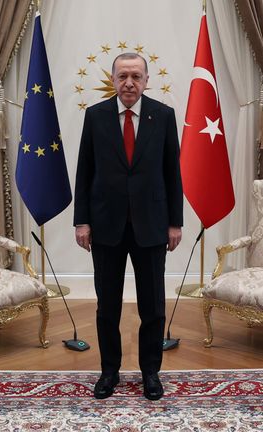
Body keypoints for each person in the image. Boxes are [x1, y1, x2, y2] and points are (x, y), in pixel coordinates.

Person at [74, 52, 183, 401]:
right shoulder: (95, 117)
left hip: (152, 226)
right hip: (106, 226)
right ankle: (109, 372)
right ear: (113, 79)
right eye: (123, 76)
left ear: (146, 80)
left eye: (136, 76)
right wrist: (82, 220)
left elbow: (172, 175)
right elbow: (84, 172)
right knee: (108, 306)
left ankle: (151, 373)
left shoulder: (163, 116)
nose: (129, 83)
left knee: (153, 306)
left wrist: (175, 223)